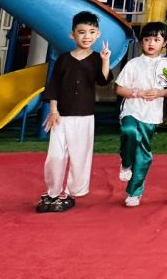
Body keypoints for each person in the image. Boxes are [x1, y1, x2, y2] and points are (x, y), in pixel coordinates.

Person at [36, 11, 112, 213]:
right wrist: (53, 110)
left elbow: (103, 81)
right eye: (82, 32)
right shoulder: (63, 59)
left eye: (92, 32)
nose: (87, 36)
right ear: (72, 35)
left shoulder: (97, 59)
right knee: (55, 156)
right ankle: (52, 192)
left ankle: (69, 193)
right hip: (61, 116)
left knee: (80, 156)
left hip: (84, 116)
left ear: (98, 34)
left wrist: (105, 60)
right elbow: (53, 86)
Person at [115, 22, 167, 207]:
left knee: (143, 153)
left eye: (156, 40)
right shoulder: (133, 64)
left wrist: (159, 93)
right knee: (129, 131)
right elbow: (119, 89)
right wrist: (137, 93)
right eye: (147, 39)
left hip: (151, 114)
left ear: (164, 43)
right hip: (132, 109)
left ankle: (134, 192)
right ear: (141, 42)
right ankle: (126, 162)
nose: (151, 43)